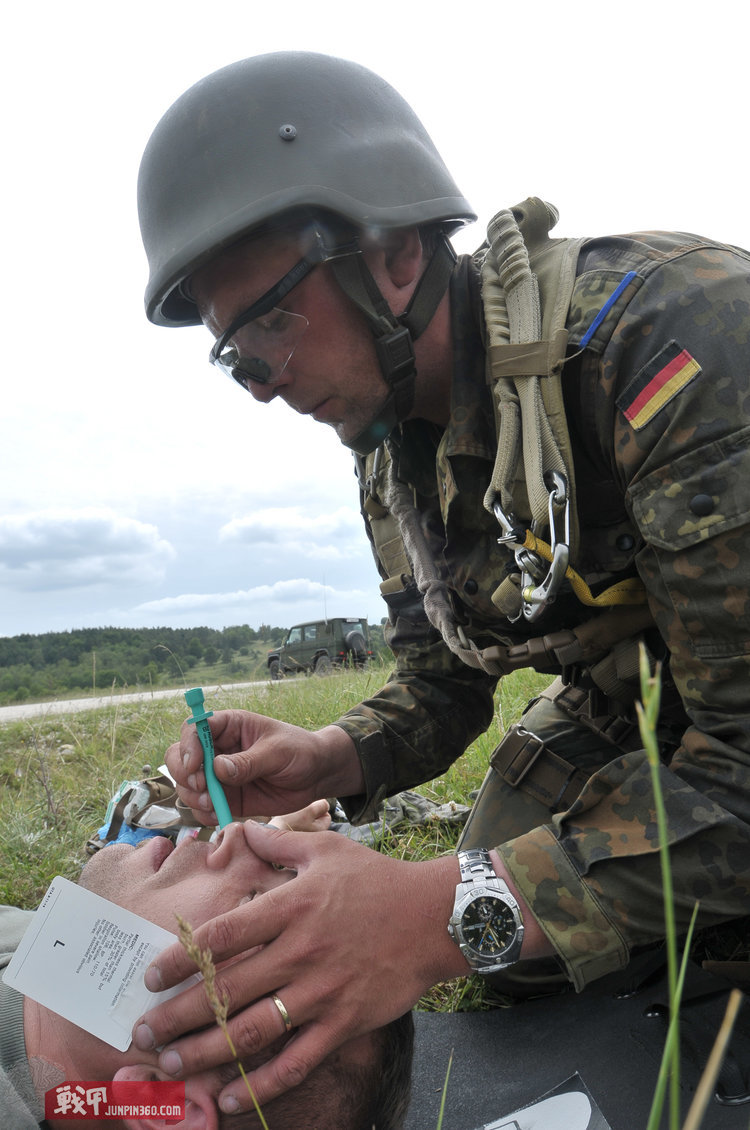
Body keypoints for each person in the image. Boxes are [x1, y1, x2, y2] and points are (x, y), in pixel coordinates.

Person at [132, 51, 750, 1115]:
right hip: (648, 696)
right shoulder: (389, 446)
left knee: (481, 911)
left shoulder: (672, 340)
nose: (264, 382)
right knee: (508, 928)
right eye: (236, 355)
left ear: (399, 254)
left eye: (271, 319)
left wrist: (433, 914)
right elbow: (446, 676)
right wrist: (335, 752)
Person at [1, 803, 414, 1129]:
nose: (237, 833)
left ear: (161, 1105)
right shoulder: (63, 952)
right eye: (276, 866)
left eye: (250, 905)